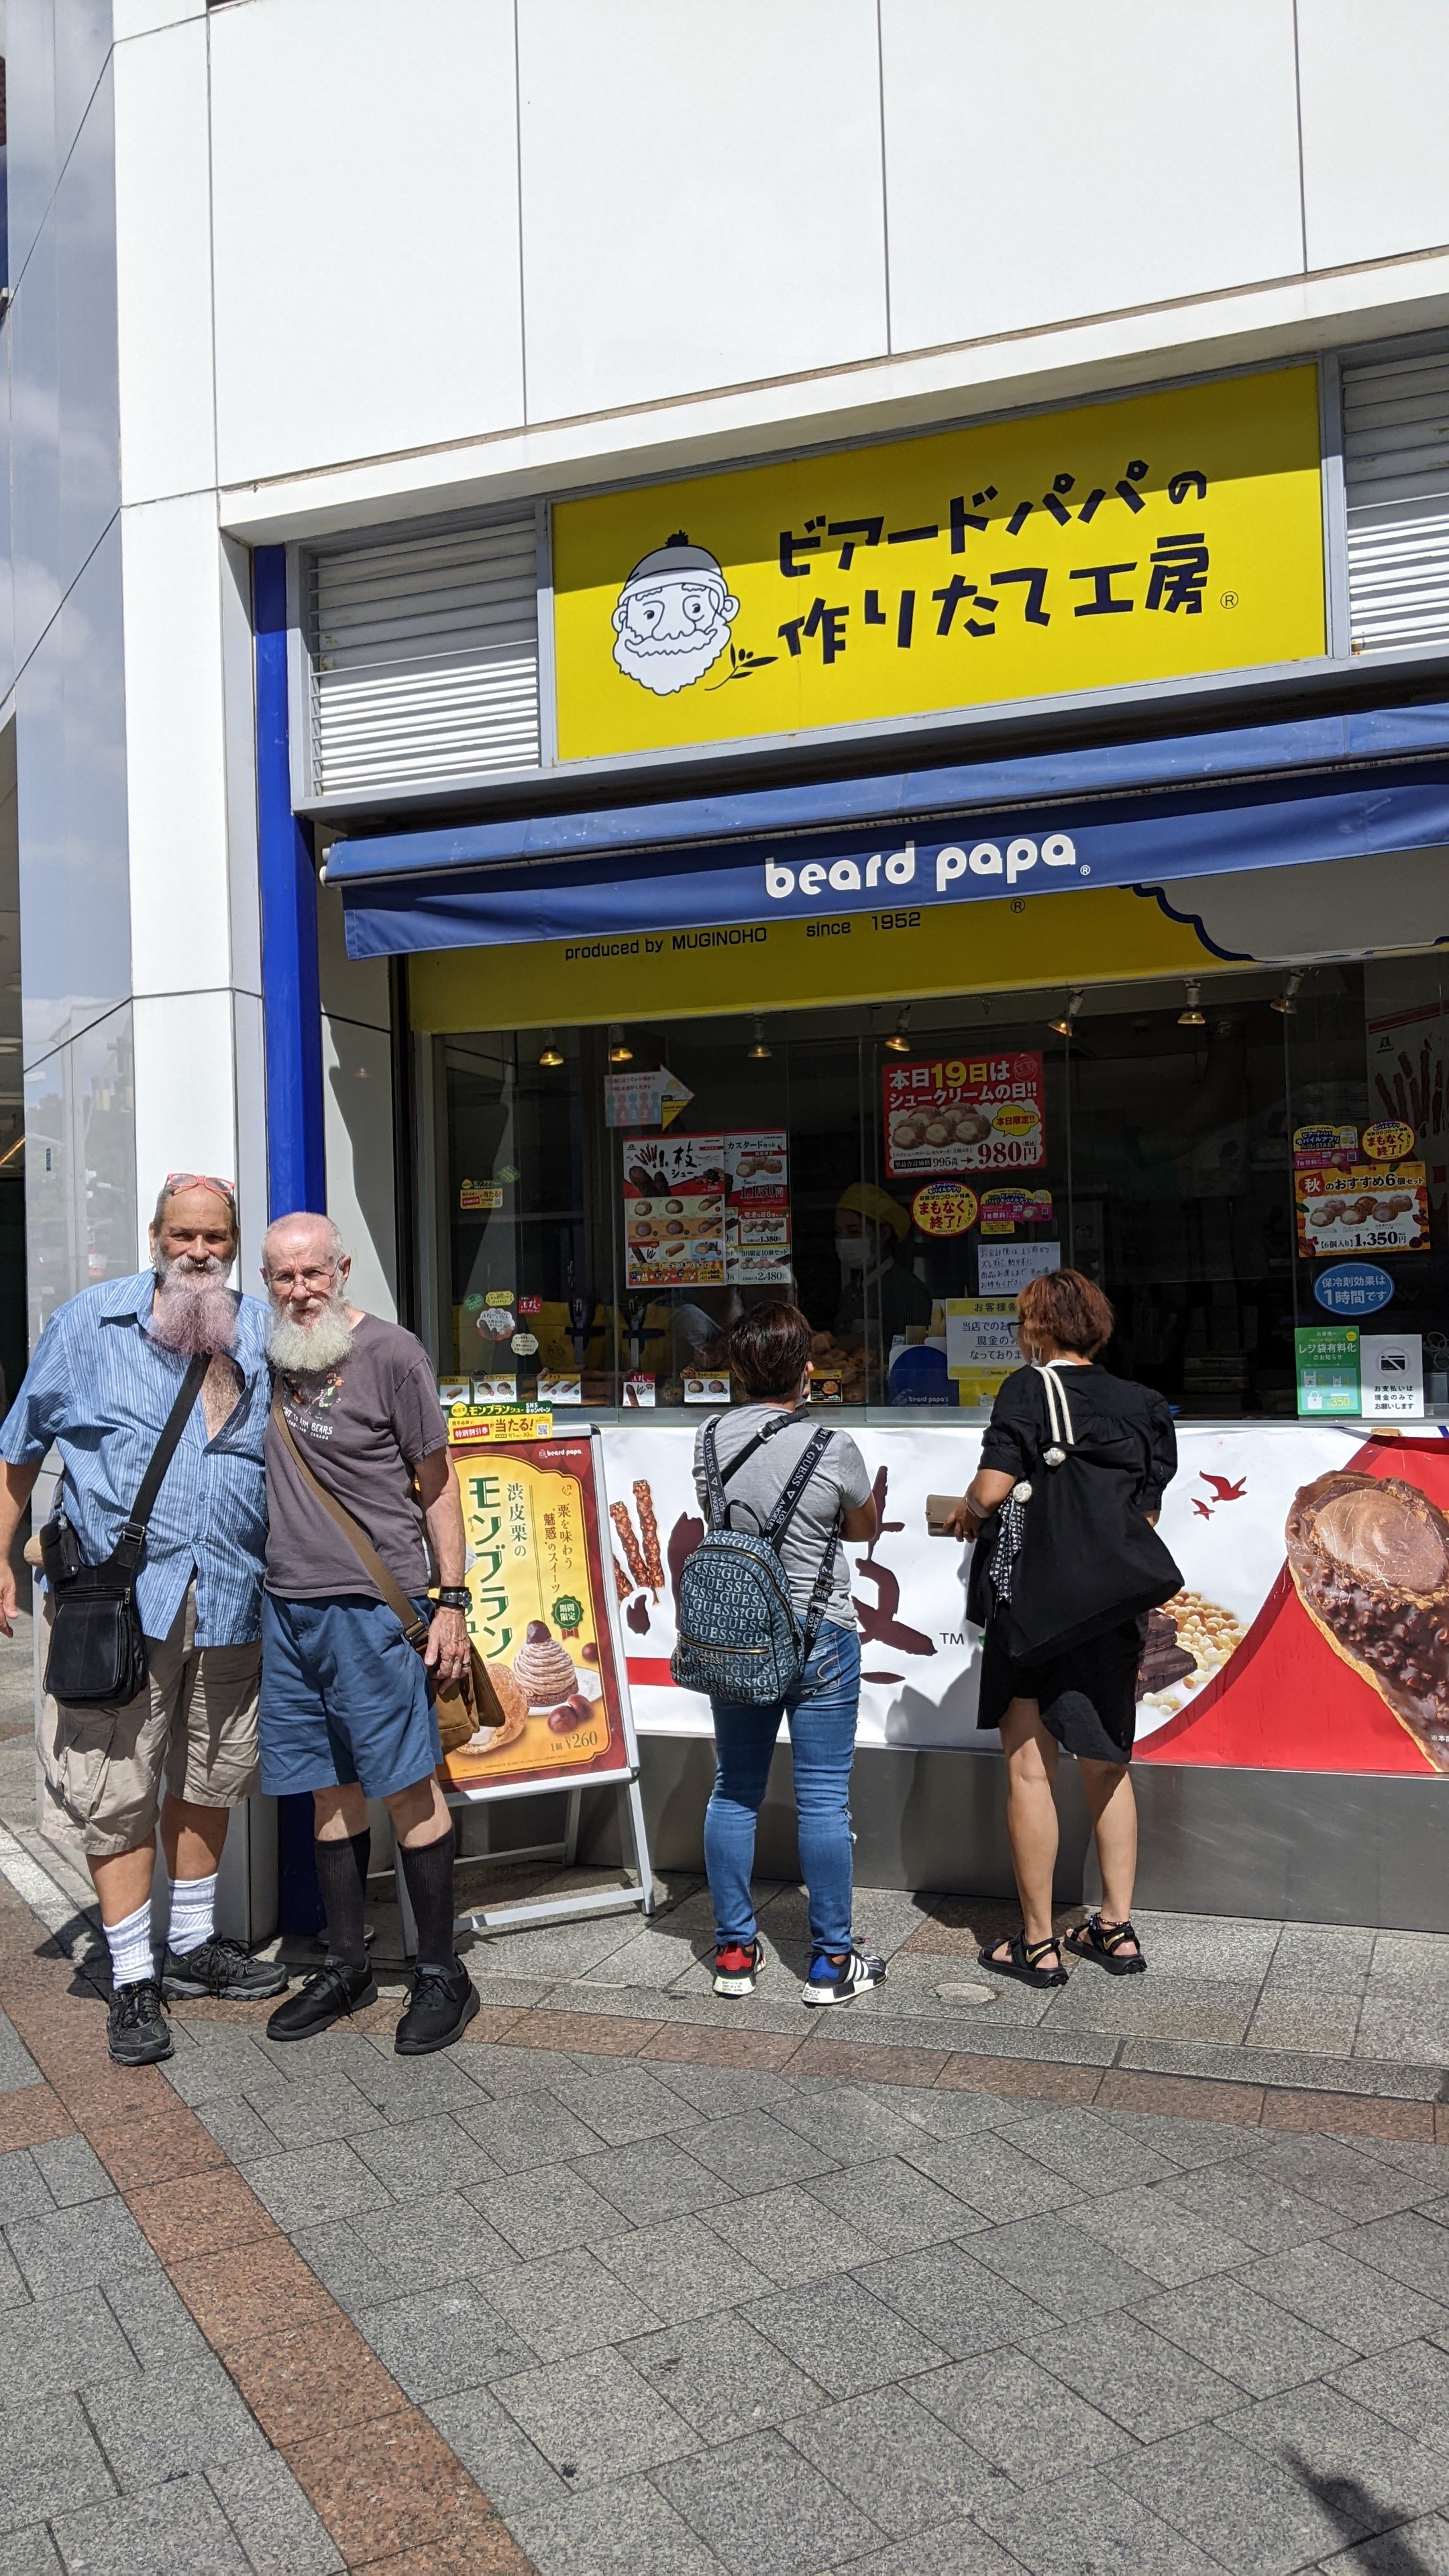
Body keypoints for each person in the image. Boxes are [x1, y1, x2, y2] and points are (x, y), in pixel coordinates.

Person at [0, 1175, 284, 2065]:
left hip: (233, 1597)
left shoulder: (266, 1330)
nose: (199, 1251)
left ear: (233, 1245)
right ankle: (132, 1979)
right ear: (155, 1236)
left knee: (210, 1769)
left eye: (216, 1239)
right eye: (184, 1235)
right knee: (114, 1785)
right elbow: (17, 1452)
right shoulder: (90, 1323)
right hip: (117, 1607)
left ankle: (193, 1945)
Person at [257, 1212, 480, 2054]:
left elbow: (438, 1483)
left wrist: (451, 1600)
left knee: (407, 1788)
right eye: (283, 1277)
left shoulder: (392, 1353)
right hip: (288, 1608)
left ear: (342, 1268)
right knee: (327, 1789)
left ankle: (440, 1972)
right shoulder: (270, 1354)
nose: (300, 1290)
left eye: (313, 1273)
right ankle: (346, 1964)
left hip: (374, 1611)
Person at [946, 1269, 1179, 1986]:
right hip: (1112, 1609)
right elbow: (1146, 1515)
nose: (1020, 1335)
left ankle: (1040, 1944)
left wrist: (962, 1511)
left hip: (1036, 1609)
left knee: (1030, 1768)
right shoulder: (1143, 1404)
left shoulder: (1028, 1388)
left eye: (1023, 1324)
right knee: (1109, 1767)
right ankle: (1115, 1929)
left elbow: (990, 1489)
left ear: (1039, 1330)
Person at [694, 1300, 883, 2005]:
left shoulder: (710, 1438)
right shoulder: (830, 1445)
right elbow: (863, 1527)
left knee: (734, 1787)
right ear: (805, 1369)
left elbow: (723, 1516)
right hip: (820, 1634)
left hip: (738, 1633)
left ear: (740, 1368)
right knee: (824, 1801)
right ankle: (832, 1964)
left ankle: (735, 1953)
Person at [834, 1183, 932, 1354]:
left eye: (854, 1232)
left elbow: (914, 1353)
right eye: (839, 1233)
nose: (844, 1241)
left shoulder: (906, 1289)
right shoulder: (851, 1291)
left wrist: (865, 1346)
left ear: (883, 1233)